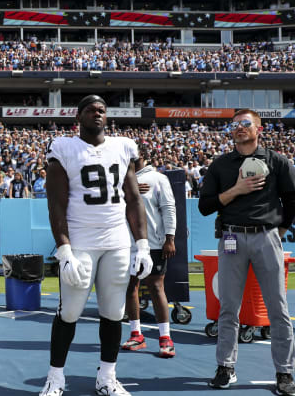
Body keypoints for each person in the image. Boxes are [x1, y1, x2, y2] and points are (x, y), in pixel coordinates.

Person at [40, 95, 152, 396]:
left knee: (114, 312)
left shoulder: (122, 146)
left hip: (116, 240)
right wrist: (63, 250)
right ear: (79, 116)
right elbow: (56, 204)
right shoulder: (64, 148)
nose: (97, 113)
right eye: (90, 109)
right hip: (81, 239)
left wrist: (142, 244)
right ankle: (55, 377)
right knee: (70, 312)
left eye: (102, 110)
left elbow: (133, 199)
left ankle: (107, 377)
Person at [198, 109, 295, 395]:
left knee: (278, 308)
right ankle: (225, 367)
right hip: (231, 238)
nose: (240, 128)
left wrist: (280, 229)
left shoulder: (276, 161)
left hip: (266, 237)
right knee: (229, 308)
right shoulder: (221, 164)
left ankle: (284, 372)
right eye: (235, 125)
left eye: (245, 124)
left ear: (258, 129)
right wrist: (237, 190)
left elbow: (292, 197)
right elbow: (205, 206)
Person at [121, 148, 177, 358]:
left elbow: (169, 208)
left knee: (155, 287)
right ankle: (136, 334)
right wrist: (127, 192)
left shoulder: (157, 178)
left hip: (153, 243)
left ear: (142, 156)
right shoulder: (119, 181)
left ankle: (165, 338)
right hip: (126, 244)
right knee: (130, 287)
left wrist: (170, 238)